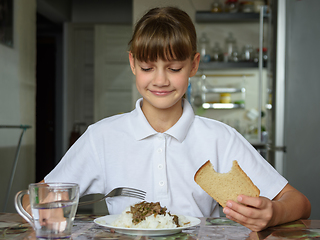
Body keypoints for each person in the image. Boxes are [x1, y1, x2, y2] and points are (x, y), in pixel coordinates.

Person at [24, 6, 310, 232]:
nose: (160, 80)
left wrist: (272, 213)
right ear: (133, 64)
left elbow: (299, 202)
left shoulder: (220, 138)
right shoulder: (102, 137)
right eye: (148, 67)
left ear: (194, 65)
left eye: (174, 68)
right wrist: (39, 204)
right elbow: (37, 200)